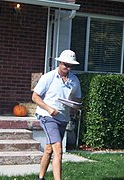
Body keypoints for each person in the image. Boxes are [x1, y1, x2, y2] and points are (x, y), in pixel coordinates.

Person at [32, 50, 81, 180]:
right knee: (58, 150)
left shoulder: (74, 80)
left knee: (49, 149)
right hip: (47, 116)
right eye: (66, 64)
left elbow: (76, 100)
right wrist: (48, 109)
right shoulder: (49, 77)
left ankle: (40, 178)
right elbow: (35, 97)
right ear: (60, 62)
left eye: (71, 65)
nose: (68, 67)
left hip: (63, 118)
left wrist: (75, 105)